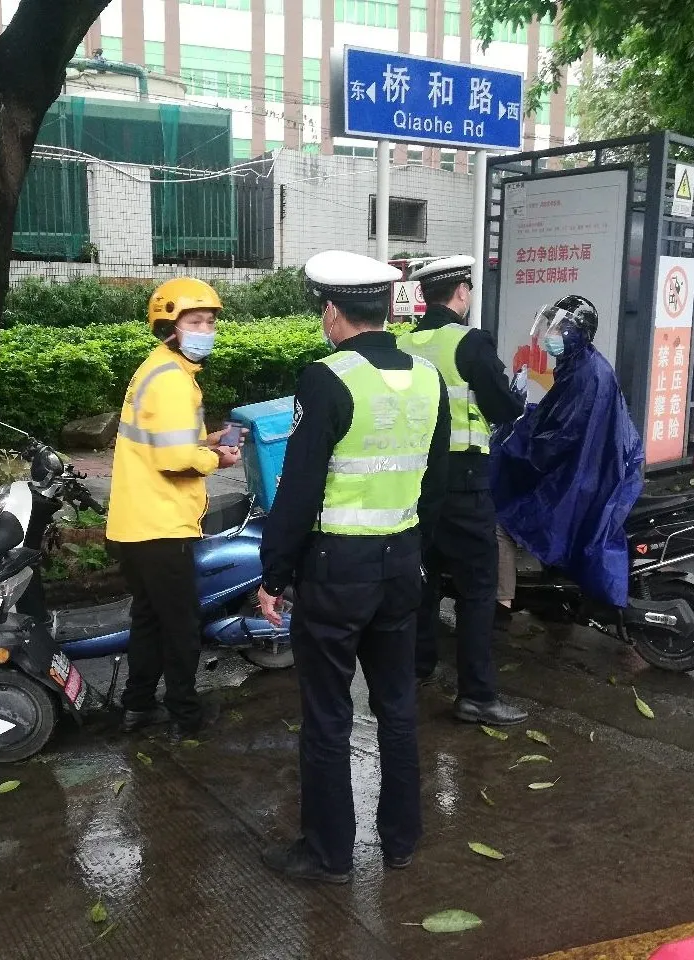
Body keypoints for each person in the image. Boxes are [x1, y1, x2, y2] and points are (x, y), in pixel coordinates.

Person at [257, 250, 450, 885]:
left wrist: (274, 573)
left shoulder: (326, 378)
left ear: (333, 311)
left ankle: (329, 853)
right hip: (401, 567)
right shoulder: (428, 377)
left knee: (328, 714)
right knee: (397, 707)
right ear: (385, 309)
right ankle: (401, 840)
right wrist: (416, 552)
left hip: (337, 571)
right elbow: (436, 484)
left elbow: (299, 486)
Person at [106, 278, 241, 742]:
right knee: (181, 626)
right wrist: (217, 459)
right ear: (169, 326)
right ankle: (187, 716)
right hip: (161, 525)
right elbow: (173, 459)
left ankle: (137, 706)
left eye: (210, 322)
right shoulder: (172, 382)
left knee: (149, 620)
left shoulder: (157, 369)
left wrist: (207, 440)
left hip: (135, 523)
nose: (206, 331)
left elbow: (166, 441)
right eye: (195, 322)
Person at [396, 255, 527, 726]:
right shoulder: (470, 343)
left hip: (414, 482)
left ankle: (417, 669)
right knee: (477, 590)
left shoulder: (403, 344)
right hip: (464, 482)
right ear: (461, 293)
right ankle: (476, 695)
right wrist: (516, 396)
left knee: (423, 580)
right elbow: (504, 406)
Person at [491, 295, 644, 608]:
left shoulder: (587, 375)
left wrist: (515, 445)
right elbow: (556, 417)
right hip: (585, 469)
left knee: (502, 520)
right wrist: (526, 416)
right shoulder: (579, 366)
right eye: (550, 327)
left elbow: (557, 440)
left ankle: (501, 604)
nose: (551, 335)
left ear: (578, 333)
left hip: (581, 480)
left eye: (559, 329)